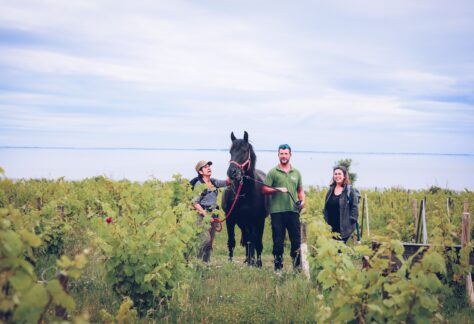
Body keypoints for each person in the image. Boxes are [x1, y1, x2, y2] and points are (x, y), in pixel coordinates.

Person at [262, 144, 305, 271]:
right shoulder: (273, 172)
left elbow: (301, 191)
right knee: (278, 241)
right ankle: (278, 268)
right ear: (278, 155)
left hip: (293, 211)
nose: (284, 156)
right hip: (277, 212)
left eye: (286, 154)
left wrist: (302, 202)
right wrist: (277, 189)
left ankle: (296, 267)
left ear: (290, 155)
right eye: (281, 153)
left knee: (296, 241)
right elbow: (263, 189)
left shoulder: (296, 173)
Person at [191, 160, 229, 263]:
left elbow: (227, 182)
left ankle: (206, 264)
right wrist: (206, 215)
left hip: (214, 217)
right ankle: (198, 264)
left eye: (209, 166)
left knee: (210, 242)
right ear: (200, 171)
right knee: (205, 241)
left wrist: (233, 171)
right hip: (201, 217)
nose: (208, 168)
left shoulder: (213, 182)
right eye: (205, 167)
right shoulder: (199, 184)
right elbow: (195, 203)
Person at [323, 165, 359, 243]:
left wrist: (351, 221)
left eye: (339, 174)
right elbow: (326, 206)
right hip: (331, 228)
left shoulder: (349, 190)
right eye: (335, 174)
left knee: (340, 251)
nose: (337, 176)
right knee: (332, 250)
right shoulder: (330, 190)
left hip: (343, 229)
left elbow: (355, 207)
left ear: (344, 176)